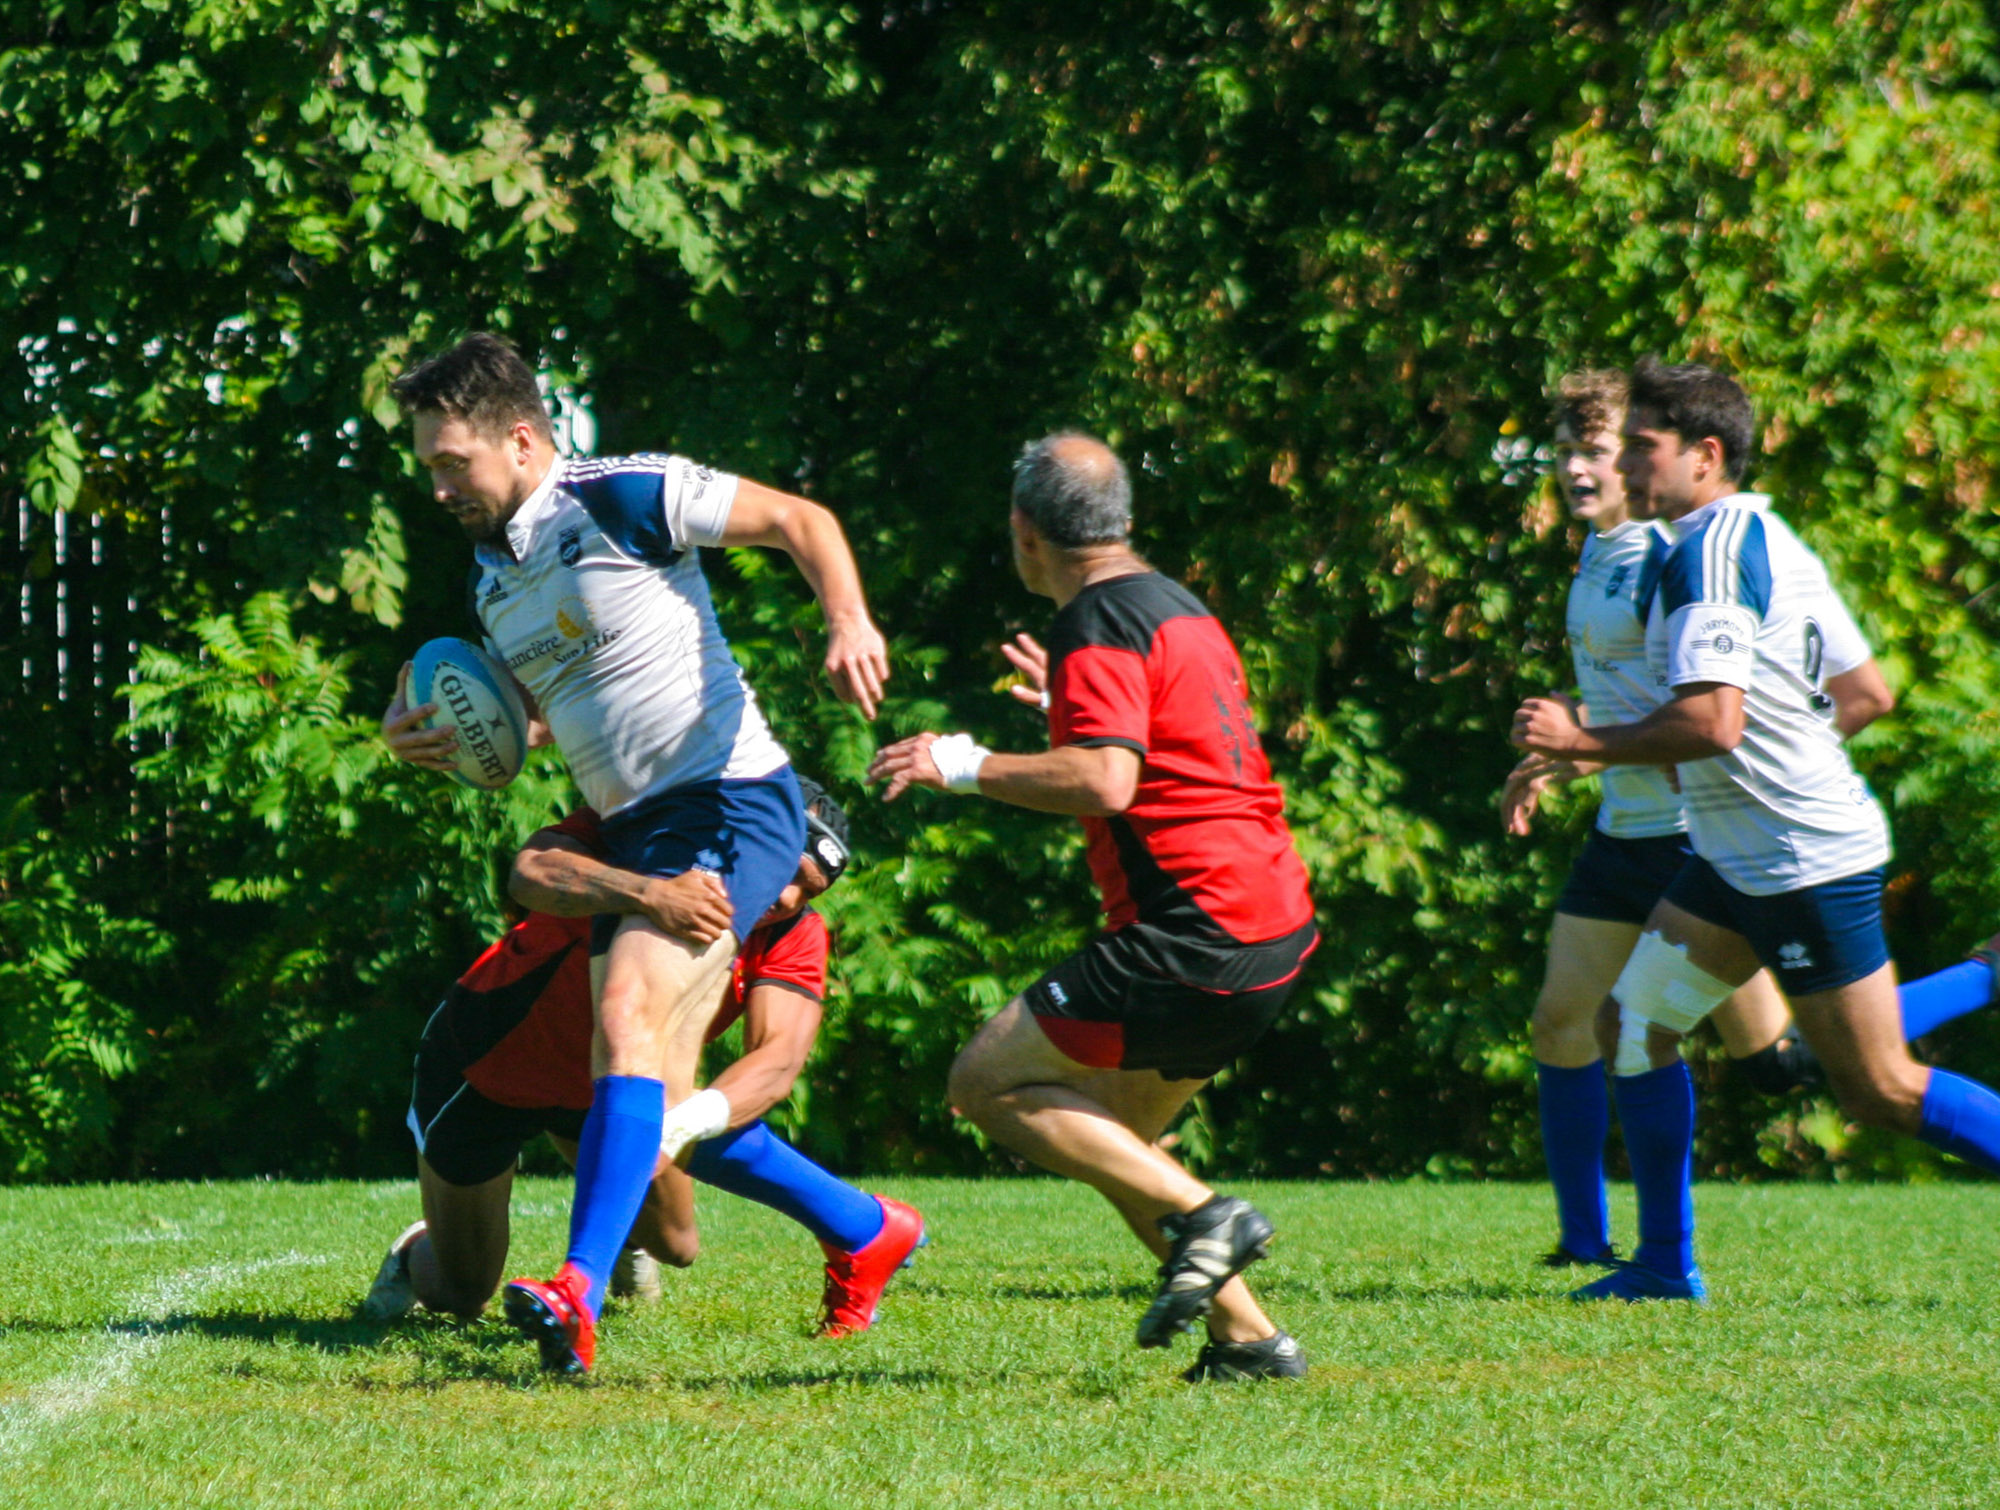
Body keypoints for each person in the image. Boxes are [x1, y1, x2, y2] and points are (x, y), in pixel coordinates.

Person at [380, 332, 888, 1371]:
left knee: (626, 1020)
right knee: (649, 1069)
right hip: (632, 827)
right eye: (426, 463)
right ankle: (867, 1228)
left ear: (520, 441)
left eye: (449, 461)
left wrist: (846, 618)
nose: (436, 485)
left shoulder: (625, 494)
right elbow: (528, 721)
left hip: (730, 797)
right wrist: (429, 726)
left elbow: (802, 520)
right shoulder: (492, 575)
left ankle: (576, 1293)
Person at [1513, 357, 2000, 1301]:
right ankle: (1662, 1265)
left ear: (1703, 455)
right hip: (1735, 855)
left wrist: (1586, 738)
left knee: (1877, 1088)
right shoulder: (1763, 536)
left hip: (1796, 861)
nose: (1629, 470)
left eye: (1644, 449)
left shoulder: (1707, 551)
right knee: (1637, 1023)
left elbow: (1713, 722)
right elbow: (1861, 692)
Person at [869, 433, 1318, 1383]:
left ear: (1023, 531)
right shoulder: (1173, 605)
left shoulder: (1100, 620)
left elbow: (1107, 781)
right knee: (1118, 1141)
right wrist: (1067, 705)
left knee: (984, 1084)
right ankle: (1249, 1343)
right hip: (1270, 922)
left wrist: (963, 764)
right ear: (1123, 520)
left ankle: (1212, 1216)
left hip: (1191, 929)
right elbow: (1171, 743)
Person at [361, 781, 926, 1347]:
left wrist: (681, 1125)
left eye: (809, 889)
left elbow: (777, 1060)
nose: (785, 897)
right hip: (489, 1070)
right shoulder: (643, 834)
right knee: (459, 1294)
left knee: (677, 1246)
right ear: (754, 836)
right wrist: (647, 893)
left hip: (617, 1088)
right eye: (784, 867)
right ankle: (417, 1249)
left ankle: (611, 1233)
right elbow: (529, 872)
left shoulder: (791, 932)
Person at [1502, 369, 1831, 1271]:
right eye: (1566, 449)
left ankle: (1979, 978)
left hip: (1697, 835)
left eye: (1597, 449)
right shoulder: (1599, 554)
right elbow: (1623, 692)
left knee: (1780, 1064)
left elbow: (1708, 705)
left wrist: (1580, 742)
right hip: (1622, 835)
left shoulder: (1670, 554)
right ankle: (1583, 1242)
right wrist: (1556, 757)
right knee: (1561, 1024)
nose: (1575, 467)